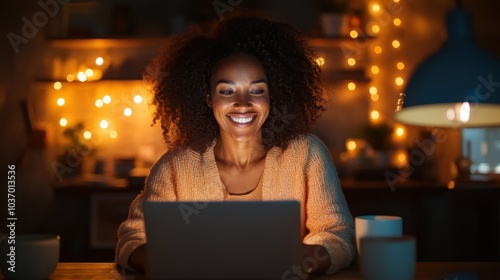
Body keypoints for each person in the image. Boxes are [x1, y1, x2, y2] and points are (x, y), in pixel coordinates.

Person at [115, 13, 355, 276]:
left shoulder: (307, 154)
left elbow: (338, 235)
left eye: (257, 90)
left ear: (272, 95)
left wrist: (303, 258)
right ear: (208, 97)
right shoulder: (175, 167)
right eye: (227, 91)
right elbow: (132, 236)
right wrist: (152, 258)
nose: (243, 103)